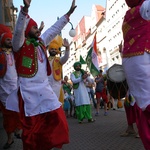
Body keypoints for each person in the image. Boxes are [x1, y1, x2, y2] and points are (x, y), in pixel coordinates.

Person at [8, 0, 77, 149]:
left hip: (45, 89)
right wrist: (25, 10)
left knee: (58, 118)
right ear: (27, 30)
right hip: (28, 91)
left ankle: (49, 143)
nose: (37, 29)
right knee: (32, 128)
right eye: (33, 27)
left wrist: (68, 15)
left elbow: (53, 29)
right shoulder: (19, 45)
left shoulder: (41, 43)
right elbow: (19, 31)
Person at [122, 0, 150, 149]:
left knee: (143, 106)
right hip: (142, 59)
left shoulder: (129, 14)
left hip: (133, 61)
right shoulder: (143, 8)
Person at [0, 24, 22, 149]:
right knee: (7, 116)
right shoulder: (0, 54)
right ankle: (10, 139)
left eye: (10, 39)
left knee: (17, 112)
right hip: (3, 88)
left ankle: (18, 131)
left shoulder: (15, 53)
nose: (10, 41)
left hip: (15, 87)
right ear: (3, 40)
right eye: (8, 39)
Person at [48, 35, 70, 105]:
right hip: (46, 84)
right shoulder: (45, 60)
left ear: (57, 50)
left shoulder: (59, 60)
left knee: (56, 103)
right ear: (49, 50)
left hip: (56, 84)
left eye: (55, 49)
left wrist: (67, 48)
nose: (53, 50)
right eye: (52, 49)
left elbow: (65, 58)